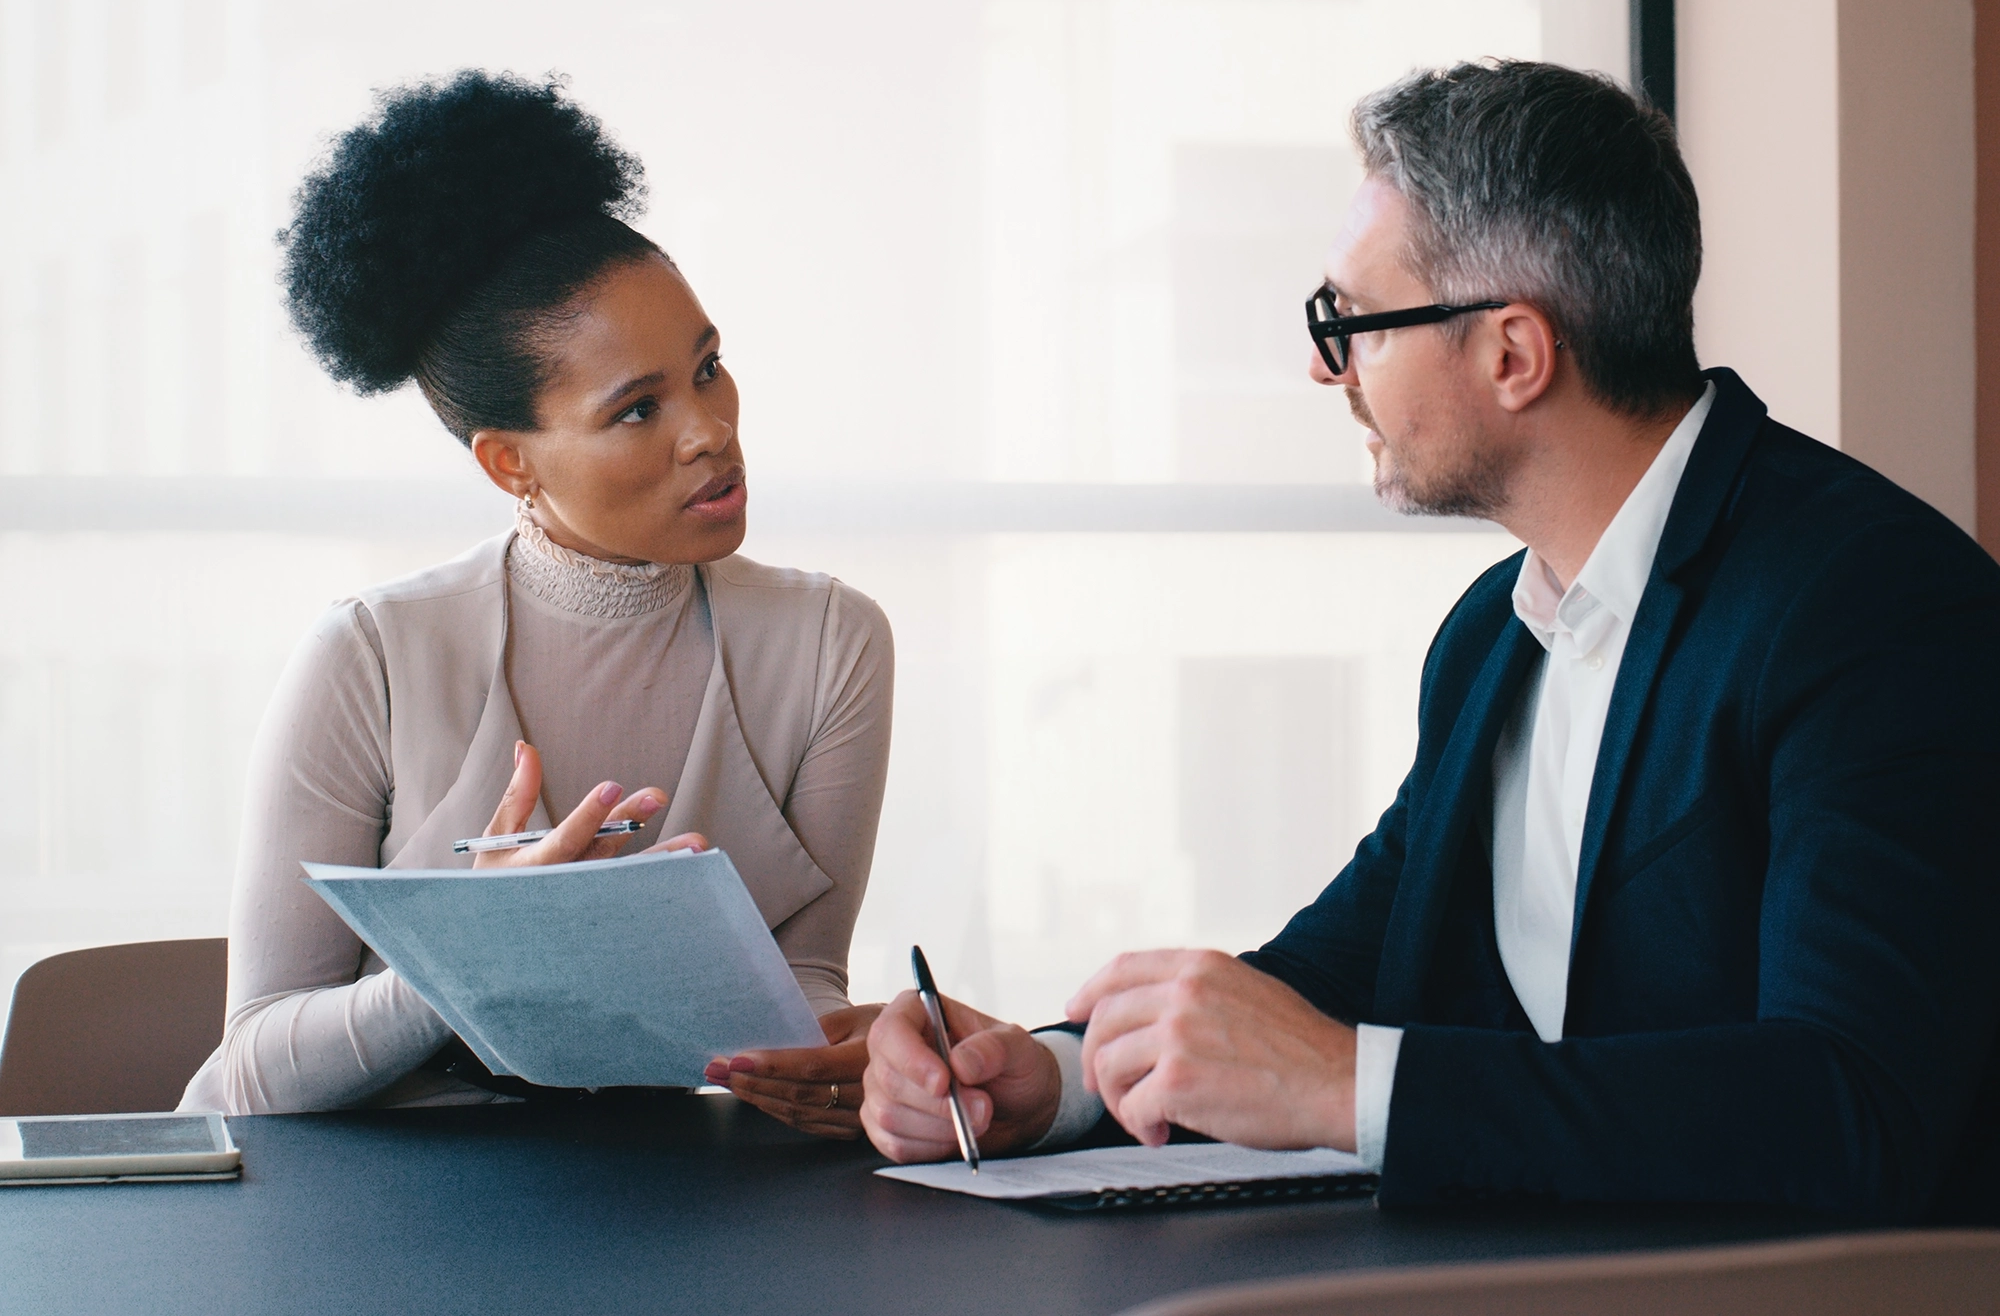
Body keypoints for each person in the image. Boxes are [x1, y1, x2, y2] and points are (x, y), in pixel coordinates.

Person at [861, 60, 2000, 1220]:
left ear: (1512, 354)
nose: (1323, 365)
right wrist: (1057, 1079)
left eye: (1350, 322)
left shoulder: (1870, 605)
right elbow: (1347, 968)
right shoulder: (1490, 634)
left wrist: (1344, 1086)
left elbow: (1850, 1107)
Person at [179, 72, 893, 1135]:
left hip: (673, 1187)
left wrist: (859, 1058)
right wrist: (478, 950)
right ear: (509, 463)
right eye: (637, 409)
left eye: (708, 368)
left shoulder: (832, 643)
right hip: (366, 1196)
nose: (709, 431)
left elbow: (804, 991)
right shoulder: (371, 654)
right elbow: (251, 1071)